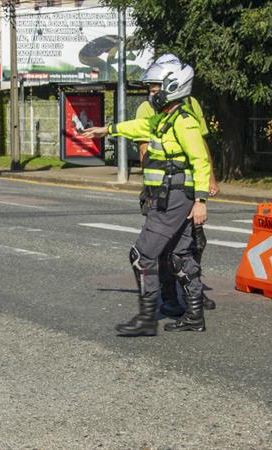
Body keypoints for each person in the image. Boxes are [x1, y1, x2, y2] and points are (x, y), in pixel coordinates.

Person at [82, 57, 211, 336]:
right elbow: (138, 127)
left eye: (154, 88)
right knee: (179, 256)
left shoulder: (184, 122)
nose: (151, 93)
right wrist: (108, 130)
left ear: (172, 86)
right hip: (169, 196)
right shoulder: (164, 119)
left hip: (174, 198)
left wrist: (201, 201)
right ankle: (194, 316)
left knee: (142, 255)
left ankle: (147, 318)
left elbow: (201, 160)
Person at [134, 54, 219, 317]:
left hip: (188, 187)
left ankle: (193, 292)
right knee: (162, 245)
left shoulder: (191, 103)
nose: (152, 90)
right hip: (162, 186)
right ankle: (169, 297)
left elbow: (201, 144)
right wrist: (153, 186)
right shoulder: (148, 107)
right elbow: (145, 148)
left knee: (194, 242)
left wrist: (210, 178)